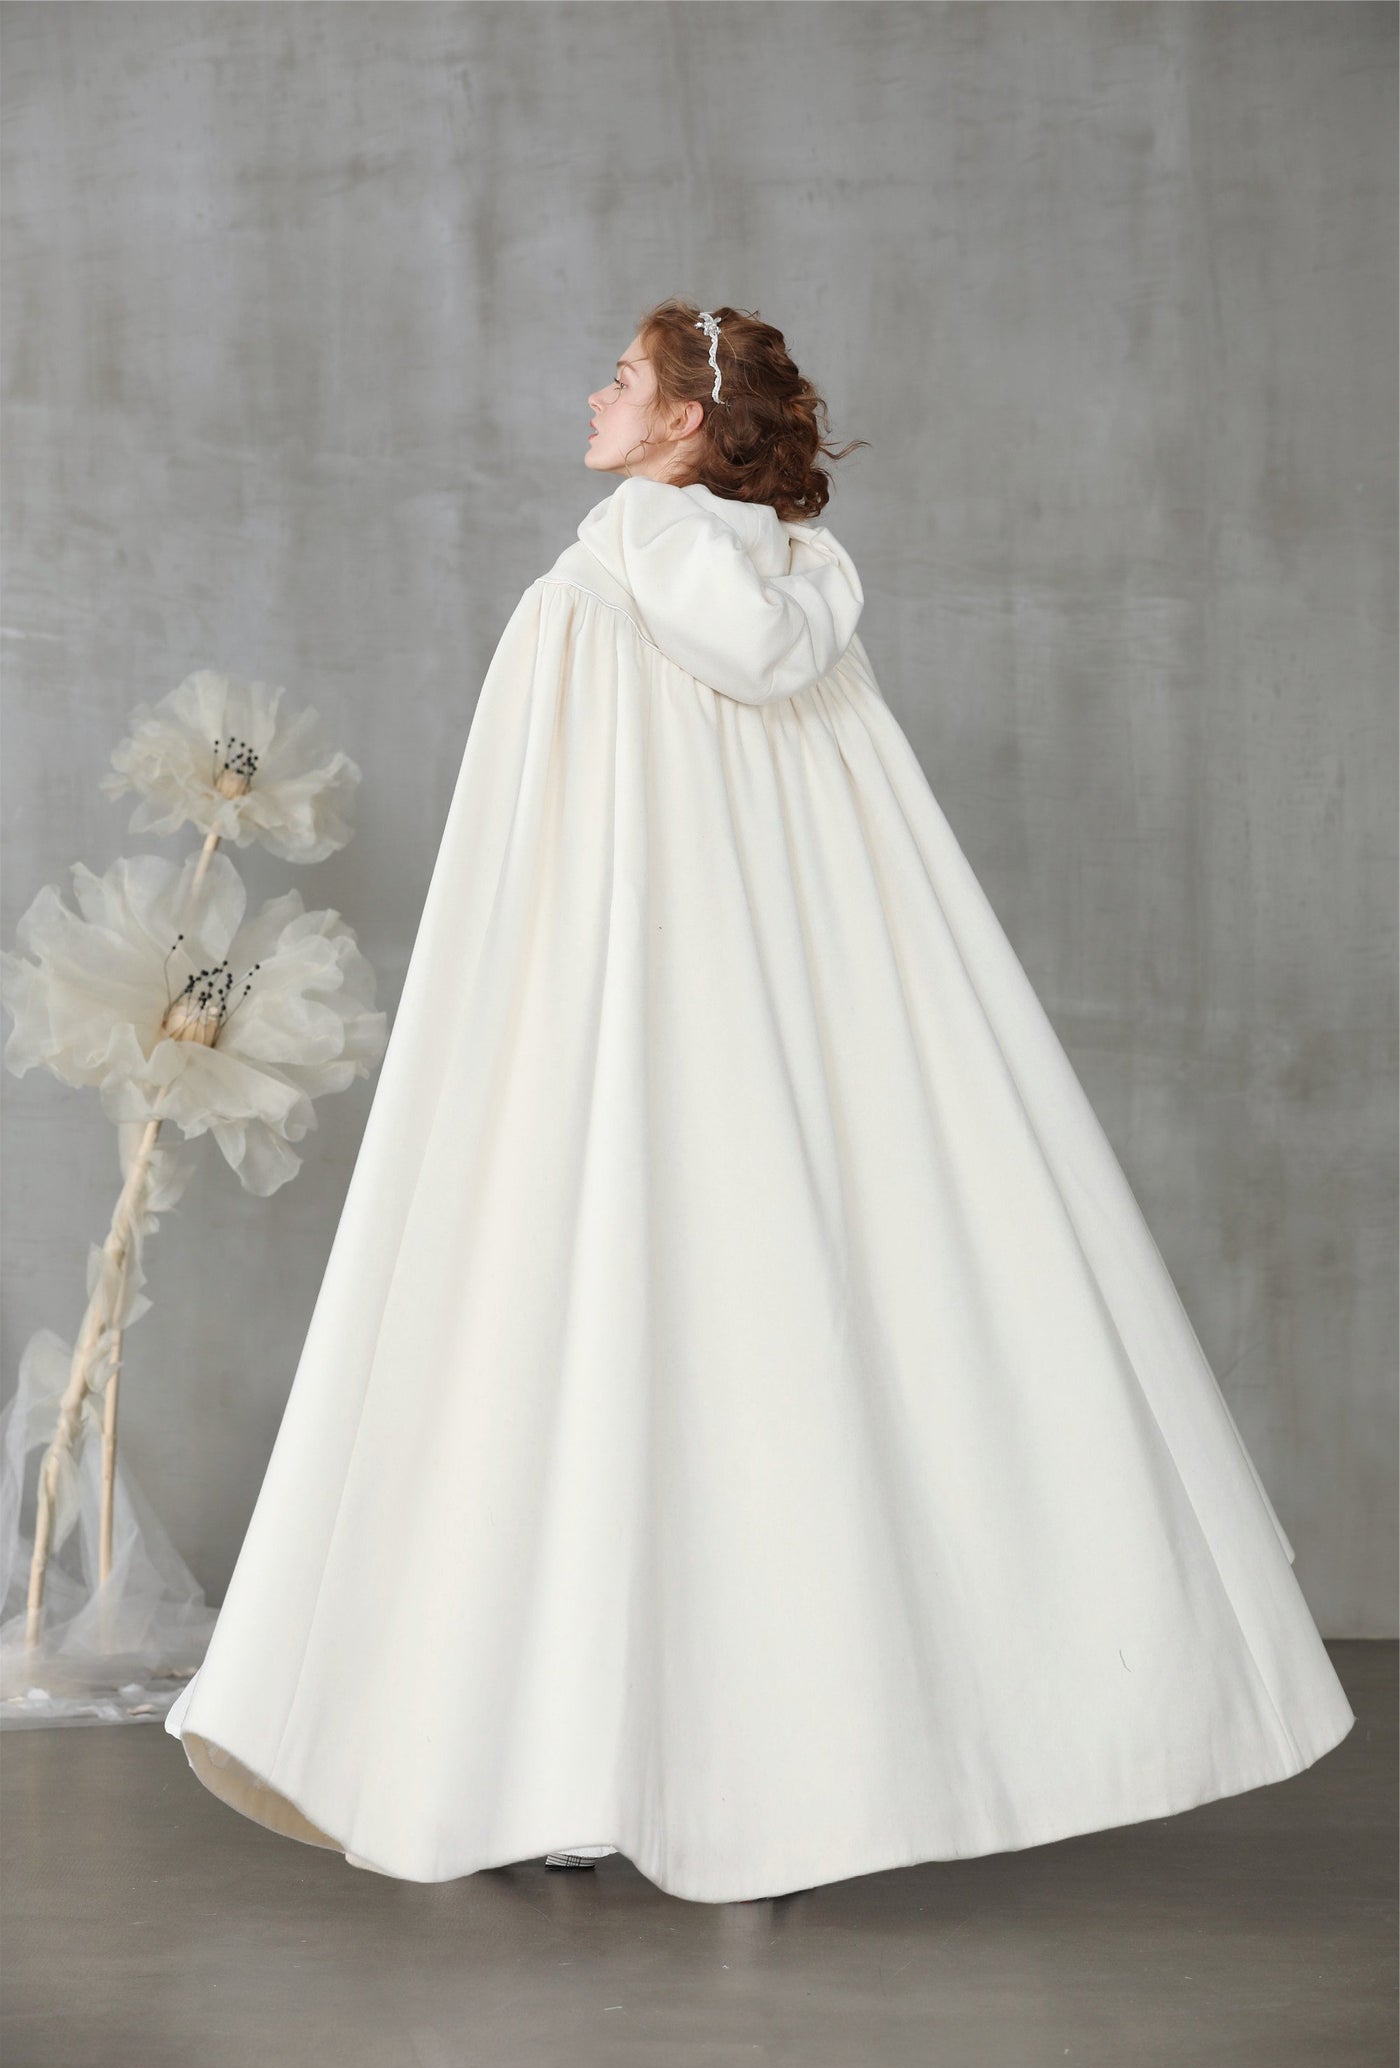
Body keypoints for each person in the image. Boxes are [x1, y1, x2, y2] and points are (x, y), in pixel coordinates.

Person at [165, 300, 1354, 1906]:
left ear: (681, 422)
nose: (591, 396)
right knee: (784, 1377)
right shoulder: (802, 594)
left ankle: (565, 1770)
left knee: (586, 1364)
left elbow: (538, 870)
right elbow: (854, 870)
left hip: (614, 1046)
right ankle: (804, 1786)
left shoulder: (593, 591)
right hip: (784, 1060)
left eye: (621, 379)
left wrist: (507, 1051)